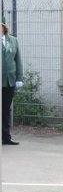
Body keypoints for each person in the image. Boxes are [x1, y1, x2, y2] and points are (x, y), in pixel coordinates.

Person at [2, 15, 23, 145]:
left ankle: (6, 137)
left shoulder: (13, 40)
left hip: (9, 81)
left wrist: (19, 77)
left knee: (6, 110)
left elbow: (18, 60)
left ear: (4, 27)